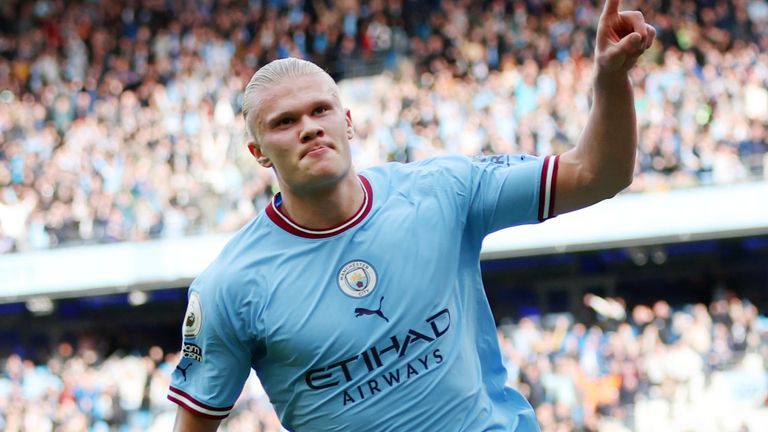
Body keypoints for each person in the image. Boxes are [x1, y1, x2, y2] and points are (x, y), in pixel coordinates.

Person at [168, 0, 655, 430]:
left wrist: (610, 79)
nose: (310, 129)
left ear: (348, 121)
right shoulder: (229, 288)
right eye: (285, 122)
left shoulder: (442, 191)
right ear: (259, 152)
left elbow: (598, 173)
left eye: (321, 111)